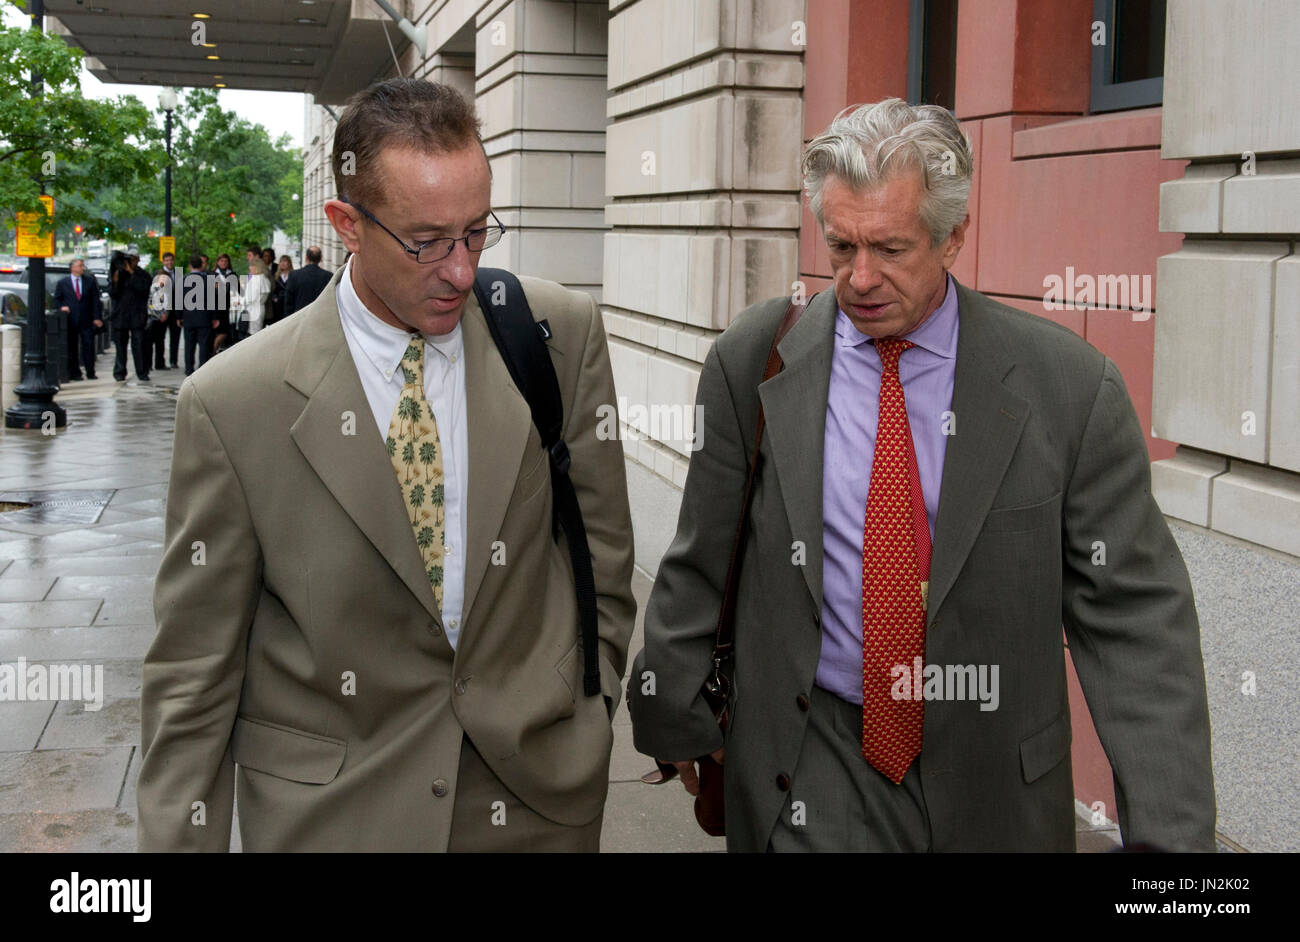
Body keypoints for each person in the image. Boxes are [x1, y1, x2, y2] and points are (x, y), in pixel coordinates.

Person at [628, 99, 1216, 853]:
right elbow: (702, 555)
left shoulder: (1066, 387)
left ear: (953, 237)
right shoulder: (757, 360)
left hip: (993, 790)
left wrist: (1174, 851)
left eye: (890, 248)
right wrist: (673, 715)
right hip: (809, 767)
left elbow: (1137, 622)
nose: (860, 278)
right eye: (840, 246)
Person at [138, 77, 636, 852]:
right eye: (427, 240)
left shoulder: (555, 337)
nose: (462, 270)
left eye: (477, 232)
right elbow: (192, 678)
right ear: (347, 224)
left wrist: (584, 705)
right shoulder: (232, 402)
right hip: (336, 820)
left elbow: (601, 559)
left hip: (536, 802)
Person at [54, 257, 103, 381]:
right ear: (73, 268)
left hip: (87, 319)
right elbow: (57, 299)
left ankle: (90, 371)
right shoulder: (63, 283)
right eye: (80, 266)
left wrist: (97, 317)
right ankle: (75, 373)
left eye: (83, 265)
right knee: (72, 347)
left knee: (89, 345)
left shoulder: (90, 281)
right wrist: (62, 308)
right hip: (71, 320)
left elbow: (95, 301)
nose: (83, 268)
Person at [108, 252, 152, 382]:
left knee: (138, 345)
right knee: (120, 346)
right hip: (121, 315)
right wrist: (115, 281)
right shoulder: (118, 273)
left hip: (137, 315)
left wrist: (131, 273)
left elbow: (143, 289)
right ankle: (119, 372)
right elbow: (113, 293)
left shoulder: (141, 274)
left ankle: (142, 372)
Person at [180, 253, 219, 376]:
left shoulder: (183, 280)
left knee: (189, 345)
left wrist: (179, 316)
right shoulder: (208, 280)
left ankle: (189, 369)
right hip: (204, 318)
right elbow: (213, 300)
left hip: (189, 318)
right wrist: (215, 317)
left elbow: (178, 300)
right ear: (201, 265)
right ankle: (202, 370)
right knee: (204, 345)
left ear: (190, 266)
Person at [282, 245, 331, 317]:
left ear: (306, 258)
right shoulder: (328, 276)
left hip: (299, 317)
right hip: (319, 317)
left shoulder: (294, 275)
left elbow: (288, 301)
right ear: (321, 258)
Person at [156, 251, 181, 369]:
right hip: (163, 311)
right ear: (163, 261)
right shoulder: (158, 274)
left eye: (171, 260)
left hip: (175, 311)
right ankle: (159, 362)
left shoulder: (178, 274)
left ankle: (173, 361)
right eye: (167, 260)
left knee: (175, 338)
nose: (169, 262)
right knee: (160, 338)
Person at [241, 248, 271, 337]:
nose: (249, 268)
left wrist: (241, 301)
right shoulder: (264, 278)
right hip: (258, 309)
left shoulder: (256, 279)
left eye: (251, 266)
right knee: (254, 332)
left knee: (250, 334)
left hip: (252, 309)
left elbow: (250, 298)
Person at [210, 253, 237, 353]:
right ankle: (211, 352)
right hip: (215, 306)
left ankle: (212, 351)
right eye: (221, 261)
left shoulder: (232, 274)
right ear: (217, 262)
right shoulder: (212, 274)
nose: (224, 263)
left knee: (224, 331)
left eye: (226, 261)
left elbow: (236, 289)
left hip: (226, 306)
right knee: (216, 331)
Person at [268, 254, 293, 326]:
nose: (283, 263)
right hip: (278, 305)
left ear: (289, 263)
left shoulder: (293, 275)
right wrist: (275, 298)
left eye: (285, 261)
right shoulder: (276, 276)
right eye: (281, 261)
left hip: (288, 303)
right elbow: (272, 290)